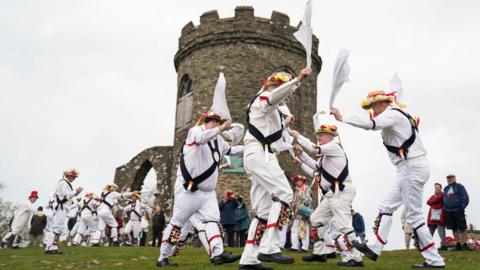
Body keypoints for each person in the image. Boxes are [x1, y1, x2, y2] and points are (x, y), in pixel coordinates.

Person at [331, 90, 445, 268]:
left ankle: (435, 260)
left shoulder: (392, 114)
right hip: (407, 168)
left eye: (374, 106)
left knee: (414, 217)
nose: (372, 110)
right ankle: (375, 248)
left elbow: (371, 124)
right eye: (370, 107)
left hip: (411, 167)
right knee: (386, 207)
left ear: (384, 103)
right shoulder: (397, 114)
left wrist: (342, 117)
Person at [156, 92, 244, 267]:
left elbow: (230, 150)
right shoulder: (195, 132)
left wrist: (250, 146)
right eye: (215, 122)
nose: (218, 125)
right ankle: (163, 257)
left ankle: (217, 253)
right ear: (208, 121)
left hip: (208, 192)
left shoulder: (218, 140)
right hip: (189, 189)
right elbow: (202, 138)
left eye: (219, 123)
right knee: (177, 223)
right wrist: (220, 129)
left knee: (212, 220)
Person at [239, 68, 311, 270]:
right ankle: (269, 246)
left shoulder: (273, 115)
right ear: (273, 86)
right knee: (285, 194)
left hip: (263, 155)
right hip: (260, 155)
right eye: (284, 92)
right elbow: (271, 99)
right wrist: (297, 81)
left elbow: (276, 144)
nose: (286, 98)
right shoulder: (261, 99)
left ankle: (248, 259)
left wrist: (288, 140)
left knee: (263, 211)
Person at [292, 123, 363, 267]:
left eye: (321, 134)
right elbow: (316, 167)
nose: (318, 137)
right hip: (331, 194)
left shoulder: (334, 147)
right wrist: (301, 155)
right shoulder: (325, 156)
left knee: (343, 225)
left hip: (340, 191)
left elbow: (313, 148)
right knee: (315, 219)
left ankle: (355, 258)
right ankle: (320, 253)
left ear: (331, 136)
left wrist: (297, 136)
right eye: (318, 134)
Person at [45, 169, 83, 254]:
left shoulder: (65, 183)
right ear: (68, 176)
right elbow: (67, 197)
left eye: (74, 177)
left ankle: (51, 247)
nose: (74, 179)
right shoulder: (63, 183)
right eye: (73, 177)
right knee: (57, 227)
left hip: (62, 207)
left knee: (57, 227)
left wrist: (75, 193)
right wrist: (76, 192)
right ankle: (50, 247)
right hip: (61, 207)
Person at [443, 174, 471, 251]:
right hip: (448, 211)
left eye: (451, 178)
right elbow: (444, 199)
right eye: (448, 178)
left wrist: (462, 208)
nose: (449, 179)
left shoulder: (460, 187)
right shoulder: (446, 188)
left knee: (462, 228)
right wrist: (445, 208)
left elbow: (466, 198)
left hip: (458, 210)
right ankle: (458, 245)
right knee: (454, 228)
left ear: (455, 178)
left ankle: (464, 245)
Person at [289, 175, 310, 253]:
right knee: (294, 229)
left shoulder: (306, 188)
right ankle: (294, 246)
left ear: (302, 181)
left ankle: (305, 247)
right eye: (296, 181)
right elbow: (295, 200)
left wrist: (300, 192)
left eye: (299, 181)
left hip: (304, 211)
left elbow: (308, 199)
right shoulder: (296, 190)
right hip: (296, 213)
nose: (297, 182)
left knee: (304, 229)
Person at [427, 183, 447, 250]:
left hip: (440, 216)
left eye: (438, 187)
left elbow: (437, 199)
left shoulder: (442, 195)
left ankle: (444, 245)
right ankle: (428, 245)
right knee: (430, 232)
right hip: (432, 218)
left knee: (441, 231)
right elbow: (428, 202)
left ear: (441, 188)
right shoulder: (433, 196)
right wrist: (434, 200)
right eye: (435, 187)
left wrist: (434, 200)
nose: (436, 188)